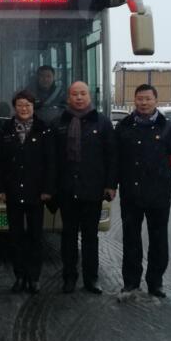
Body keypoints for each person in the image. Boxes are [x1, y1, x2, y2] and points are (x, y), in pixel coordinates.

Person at [115, 84, 171, 298]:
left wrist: (156, 174)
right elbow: (116, 158)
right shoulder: (124, 126)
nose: (144, 103)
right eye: (140, 99)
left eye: (148, 99)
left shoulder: (168, 127)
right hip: (130, 193)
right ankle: (131, 282)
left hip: (158, 193)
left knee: (158, 240)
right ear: (134, 101)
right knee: (131, 239)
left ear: (156, 101)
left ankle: (155, 282)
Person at [52, 81, 116, 294]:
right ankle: (69, 277)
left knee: (90, 237)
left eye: (83, 94)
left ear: (89, 96)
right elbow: (52, 159)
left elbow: (111, 156)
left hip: (93, 189)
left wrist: (110, 185)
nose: (79, 98)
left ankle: (91, 279)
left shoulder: (102, 122)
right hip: (67, 189)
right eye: (74, 94)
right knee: (68, 236)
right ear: (68, 98)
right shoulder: (59, 122)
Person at [0, 90, 55, 294]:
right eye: (20, 105)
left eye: (28, 105)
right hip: (12, 192)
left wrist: (48, 189)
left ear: (33, 107)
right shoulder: (6, 129)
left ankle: (34, 277)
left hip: (36, 193)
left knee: (35, 237)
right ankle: (19, 276)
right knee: (15, 237)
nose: (24, 109)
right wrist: (0, 189)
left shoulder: (43, 130)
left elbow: (51, 162)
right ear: (15, 107)